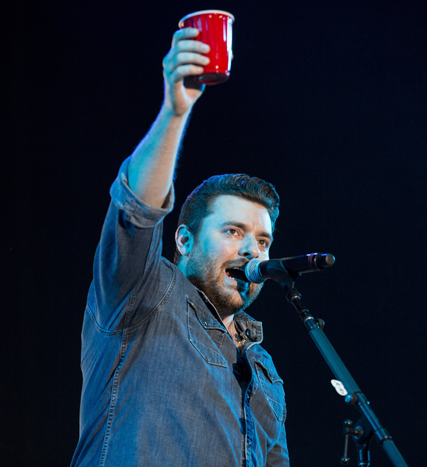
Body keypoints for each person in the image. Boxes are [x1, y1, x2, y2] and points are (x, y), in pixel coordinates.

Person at [71, 28, 289, 466]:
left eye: (262, 240)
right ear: (184, 239)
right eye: (233, 232)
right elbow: (137, 211)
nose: (252, 250)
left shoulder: (263, 367)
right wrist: (175, 112)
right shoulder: (146, 295)